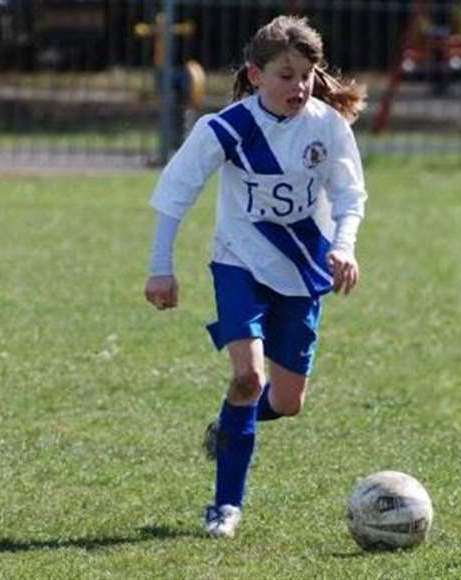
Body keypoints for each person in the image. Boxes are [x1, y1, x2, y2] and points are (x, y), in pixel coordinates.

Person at [144, 14, 367, 539]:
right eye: (285, 75)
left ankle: (228, 427)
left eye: (306, 75)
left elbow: (350, 195)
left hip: (303, 269)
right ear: (256, 74)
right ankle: (225, 506)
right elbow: (174, 194)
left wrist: (344, 247)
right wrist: (160, 268)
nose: (298, 86)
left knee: (287, 403)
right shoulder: (225, 128)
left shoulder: (327, 126)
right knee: (248, 378)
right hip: (239, 263)